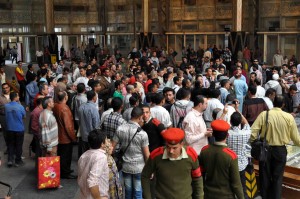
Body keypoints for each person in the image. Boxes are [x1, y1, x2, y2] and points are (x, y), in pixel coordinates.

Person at [250, 95, 300, 199]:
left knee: (264, 177)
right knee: (278, 178)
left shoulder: (264, 114)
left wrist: (253, 142)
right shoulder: (289, 117)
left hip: (265, 150)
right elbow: (296, 138)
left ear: (273, 103)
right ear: (283, 105)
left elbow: (252, 132)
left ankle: (265, 196)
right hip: (280, 151)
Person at [141, 128, 204, 199]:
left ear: (181, 144)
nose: (171, 151)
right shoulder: (156, 156)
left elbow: (197, 179)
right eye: (168, 147)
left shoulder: (191, 155)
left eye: (174, 148)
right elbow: (145, 176)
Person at [199, 120, 244, 199]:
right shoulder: (231, 156)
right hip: (226, 195)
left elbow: (201, 175)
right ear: (227, 135)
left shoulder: (204, 151)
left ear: (213, 134)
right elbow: (236, 184)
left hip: (208, 194)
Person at [112, 107, 150, 199]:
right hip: (139, 167)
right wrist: (149, 170)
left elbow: (111, 148)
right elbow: (146, 154)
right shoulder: (143, 134)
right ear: (140, 117)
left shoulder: (120, 129)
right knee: (138, 192)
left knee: (128, 192)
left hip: (125, 166)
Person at [78, 129, 109, 199]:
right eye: (106, 140)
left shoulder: (83, 155)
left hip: (83, 195)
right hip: (96, 196)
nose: (108, 141)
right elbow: (92, 182)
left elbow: (80, 177)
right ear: (102, 144)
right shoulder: (101, 157)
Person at [52, 91, 77, 179]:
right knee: (66, 156)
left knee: (62, 155)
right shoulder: (64, 108)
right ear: (65, 98)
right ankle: (65, 172)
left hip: (58, 134)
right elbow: (68, 126)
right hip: (65, 137)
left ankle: (65, 170)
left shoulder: (55, 106)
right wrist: (73, 137)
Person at [227, 112, 251, 199]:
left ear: (230, 121)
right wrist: (239, 112)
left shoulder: (227, 134)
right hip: (241, 164)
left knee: (230, 186)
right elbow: (247, 123)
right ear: (240, 121)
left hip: (229, 164)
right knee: (242, 186)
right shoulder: (246, 133)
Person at [5, 92, 26, 167]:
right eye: (18, 96)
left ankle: (10, 160)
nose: (19, 97)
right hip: (19, 129)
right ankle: (18, 160)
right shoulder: (20, 107)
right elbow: (24, 116)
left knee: (10, 145)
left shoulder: (6, 106)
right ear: (15, 97)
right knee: (19, 145)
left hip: (10, 129)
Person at [78, 90, 100, 155]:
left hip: (83, 134)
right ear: (93, 98)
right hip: (92, 136)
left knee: (84, 153)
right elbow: (96, 124)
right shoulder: (94, 108)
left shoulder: (81, 107)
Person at [0, 83, 11, 153]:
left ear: (9, 88)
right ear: (2, 89)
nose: (5, 89)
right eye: (4, 88)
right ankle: (8, 147)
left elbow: (18, 104)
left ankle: (14, 148)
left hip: (12, 117)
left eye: (6, 87)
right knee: (5, 133)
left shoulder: (14, 95)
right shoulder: (0, 97)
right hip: (3, 117)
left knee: (13, 132)